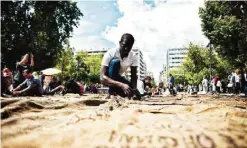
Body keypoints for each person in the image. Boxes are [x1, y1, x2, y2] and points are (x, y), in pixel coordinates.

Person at [100, 33, 140, 100]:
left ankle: (117, 92)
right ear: (120, 43)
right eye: (124, 45)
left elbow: (133, 77)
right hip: (108, 79)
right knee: (115, 62)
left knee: (136, 94)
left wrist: (134, 89)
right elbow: (102, 77)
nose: (126, 49)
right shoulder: (110, 53)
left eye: (129, 47)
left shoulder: (133, 56)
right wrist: (121, 85)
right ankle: (111, 92)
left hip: (118, 79)